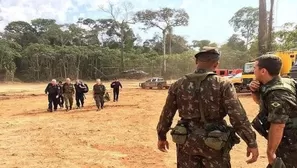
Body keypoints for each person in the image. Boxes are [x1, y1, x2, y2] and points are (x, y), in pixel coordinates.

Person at [156, 47, 259, 168]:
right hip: (215, 142)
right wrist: (251, 142)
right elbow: (237, 116)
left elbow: (167, 113)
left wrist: (161, 136)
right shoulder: (223, 84)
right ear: (216, 64)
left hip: (187, 142)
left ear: (196, 62)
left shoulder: (178, 84)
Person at [249, 55, 297, 168]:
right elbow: (260, 103)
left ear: (263, 71)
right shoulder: (283, 82)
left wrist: (270, 152)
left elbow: (278, 125)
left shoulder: (278, 93)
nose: (253, 70)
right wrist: (255, 91)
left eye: (255, 67)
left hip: (291, 145)